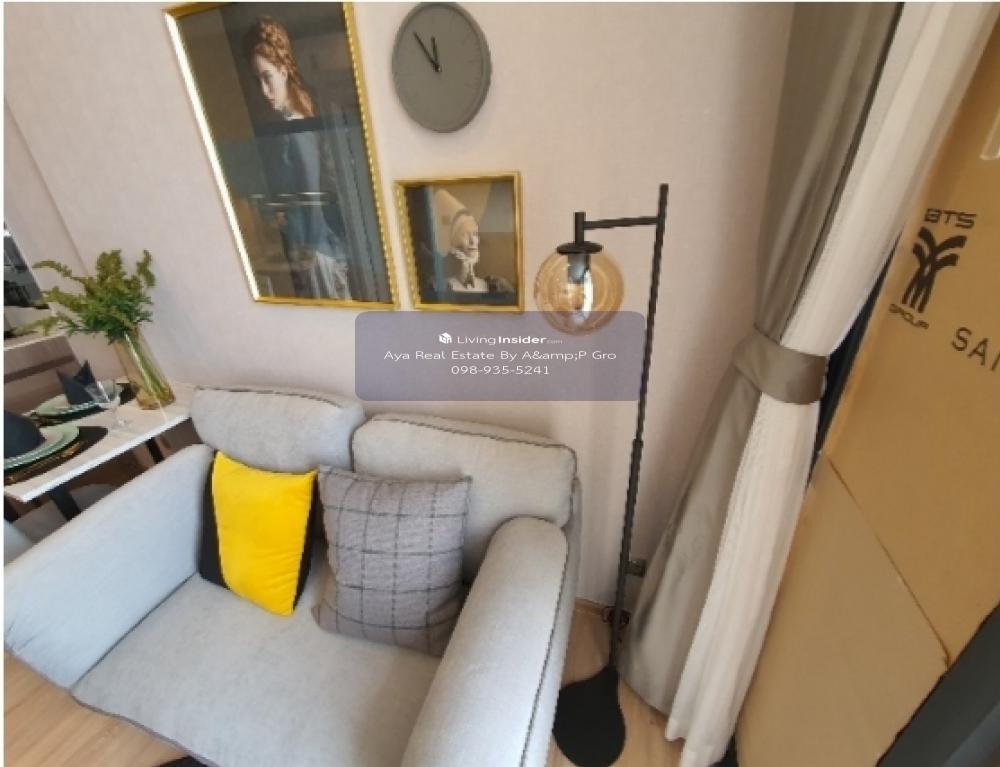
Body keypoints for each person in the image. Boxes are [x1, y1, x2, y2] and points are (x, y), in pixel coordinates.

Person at [242, 16, 351, 300]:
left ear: (283, 70)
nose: (264, 91)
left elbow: (312, 196)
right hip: (311, 248)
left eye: (267, 77)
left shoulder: (297, 126)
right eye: (257, 80)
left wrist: (307, 254)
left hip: (316, 252)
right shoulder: (292, 123)